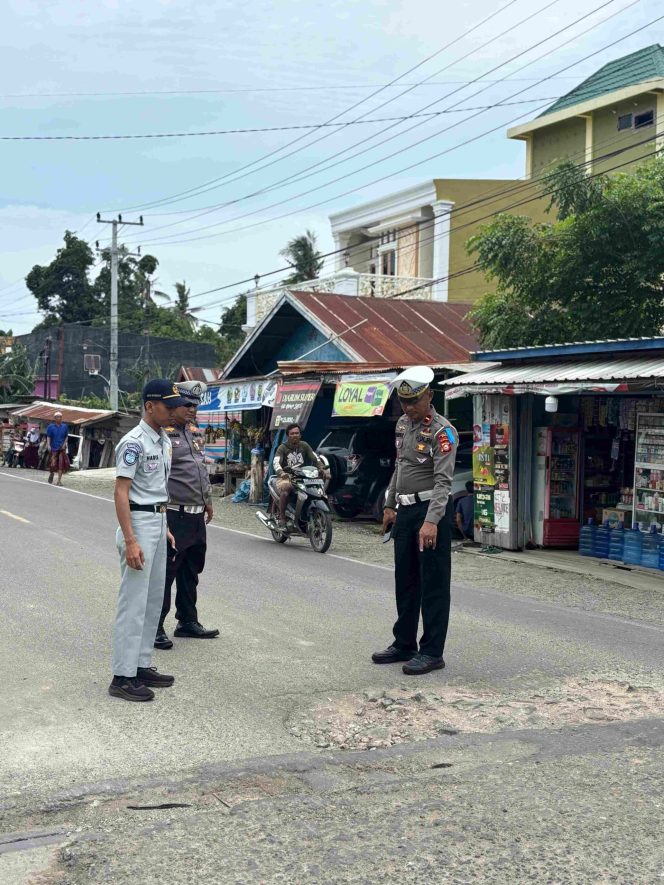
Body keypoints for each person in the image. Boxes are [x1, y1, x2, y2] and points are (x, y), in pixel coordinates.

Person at [373, 366, 457, 676]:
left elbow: (443, 483)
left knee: (433, 583)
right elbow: (400, 466)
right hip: (406, 513)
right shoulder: (402, 426)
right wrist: (390, 503)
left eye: (414, 401)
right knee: (405, 581)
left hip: (429, 514)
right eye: (404, 402)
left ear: (430, 396)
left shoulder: (442, 431)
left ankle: (432, 651)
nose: (408, 408)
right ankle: (404, 643)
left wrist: (432, 521)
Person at [109, 379, 190, 702]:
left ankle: (141, 665)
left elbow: (157, 489)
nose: (173, 412)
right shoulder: (134, 442)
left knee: (153, 599)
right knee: (133, 602)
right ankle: (122, 675)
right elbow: (121, 492)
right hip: (138, 523)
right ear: (149, 406)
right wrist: (130, 540)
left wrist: (165, 525)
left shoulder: (163, 440)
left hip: (157, 519)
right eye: (168, 407)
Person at [154, 380, 219, 650]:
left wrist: (208, 500)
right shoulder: (163, 434)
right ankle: (154, 625)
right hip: (174, 513)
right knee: (166, 572)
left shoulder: (193, 432)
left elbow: (200, 469)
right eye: (188, 405)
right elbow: (158, 475)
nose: (193, 410)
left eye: (196, 405)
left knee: (191, 570)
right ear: (175, 405)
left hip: (195, 515)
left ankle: (187, 621)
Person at [272, 423, 326, 527]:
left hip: (301, 475)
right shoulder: (282, 448)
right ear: (288, 436)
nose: (295, 435)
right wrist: (281, 473)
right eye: (292, 433)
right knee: (286, 489)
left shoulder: (304, 445)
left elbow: (315, 457)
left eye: (297, 433)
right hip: (286, 476)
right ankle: (282, 517)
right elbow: (276, 462)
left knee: (314, 487)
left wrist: (321, 467)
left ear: (300, 435)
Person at [46, 411, 69, 486]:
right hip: (53, 448)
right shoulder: (50, 427)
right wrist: (48, 445)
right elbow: (48, 436)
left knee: (61, 465)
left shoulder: (64, 426)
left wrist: (64, 444)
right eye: (57, 417)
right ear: (55, 418)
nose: (59, 418)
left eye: (60, 417)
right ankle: (51, 473)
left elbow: (66, 436)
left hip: (61, 448)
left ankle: (59, 481)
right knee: (53, 464)